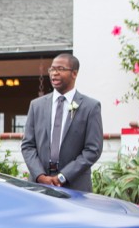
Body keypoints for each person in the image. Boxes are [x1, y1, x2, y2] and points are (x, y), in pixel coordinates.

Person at [20, 54, 103, 192]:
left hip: (75, 186)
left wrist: (63, 176)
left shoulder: (90, 107)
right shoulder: (37, 105)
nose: (54, 73)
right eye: (52, 69)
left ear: (74, 73)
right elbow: (28, 145)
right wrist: (40, 176)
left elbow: (93, 150)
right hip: (40, 185)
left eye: (60, 69)